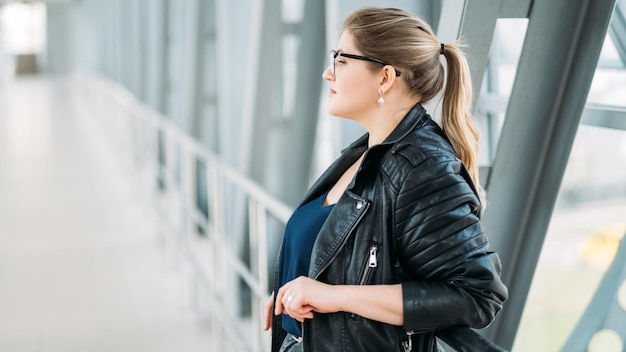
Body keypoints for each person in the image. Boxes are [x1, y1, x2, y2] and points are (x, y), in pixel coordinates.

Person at [263, 6, 508, 352]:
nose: (327, 73)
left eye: (341, 60)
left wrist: (333, 296)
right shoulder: (367, 152)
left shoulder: (423, 168)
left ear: (385, 77)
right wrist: (291, 291)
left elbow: (478, 295)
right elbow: (347, 251)